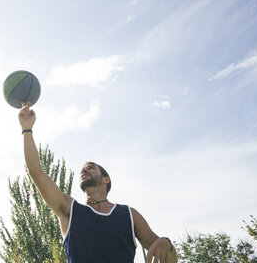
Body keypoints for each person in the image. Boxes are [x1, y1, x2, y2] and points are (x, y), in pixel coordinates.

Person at [18, 103, 177, 263]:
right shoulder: (69, 210)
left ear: (105, 179)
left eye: (90, 168)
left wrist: (166, 243)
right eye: (82, 170)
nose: (83, 171)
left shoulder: (129, 215)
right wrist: (27, 128)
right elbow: (36, 172)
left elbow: (169, 258)